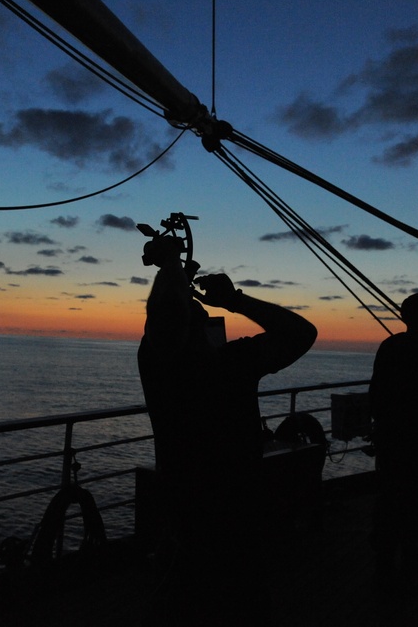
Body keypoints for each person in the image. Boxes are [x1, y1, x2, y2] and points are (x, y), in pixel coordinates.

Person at [137, 233, 317, 626]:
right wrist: (233, 300)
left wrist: (172, 263)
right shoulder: (230, 362)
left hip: (194, 517)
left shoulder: (161, 367)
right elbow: (300, 333)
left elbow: (166, 312)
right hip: (232, 516)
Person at [369, 293, 418, 588]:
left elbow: (378, 392)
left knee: (400, 499)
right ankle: (390, 567)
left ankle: (401, 559)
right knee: (401, 499)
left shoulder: (396, 345)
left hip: (396, 435)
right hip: (402, 437)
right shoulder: (409, 348)